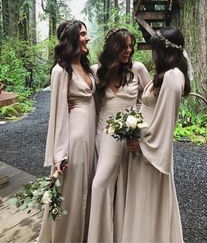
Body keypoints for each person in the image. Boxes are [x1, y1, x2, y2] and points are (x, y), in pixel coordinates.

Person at [123, 27, 191, 243]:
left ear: (163, 50)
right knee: (141, 198)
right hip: (142, 142)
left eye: (154, 49)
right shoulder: (165, 75)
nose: (152, 54)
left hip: (150, 150)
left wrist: (143, 145)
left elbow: (165, 122)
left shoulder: (173, 77)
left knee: (149, 199)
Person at [87, 27, 151, 242]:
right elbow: (91, 102)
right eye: (124, 46)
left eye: (131, 47)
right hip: (102, 133)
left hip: (126, 135)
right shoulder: (97, 71)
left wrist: (138, 125)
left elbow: (150, 100)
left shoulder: (138, 69)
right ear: (113, 47)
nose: (128, 51)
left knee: (121, 184)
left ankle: (121, 234)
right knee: (101, 183)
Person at [38, 20, 96, 243]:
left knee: (87, 188)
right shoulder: (60, 71)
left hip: (91, 137)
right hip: (74, 141)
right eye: (82, 34)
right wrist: (59, 155)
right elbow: (59, 115)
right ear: (71, 38)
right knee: (70, 194)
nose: (87, 38)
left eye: (86, 33)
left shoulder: (87, 68)